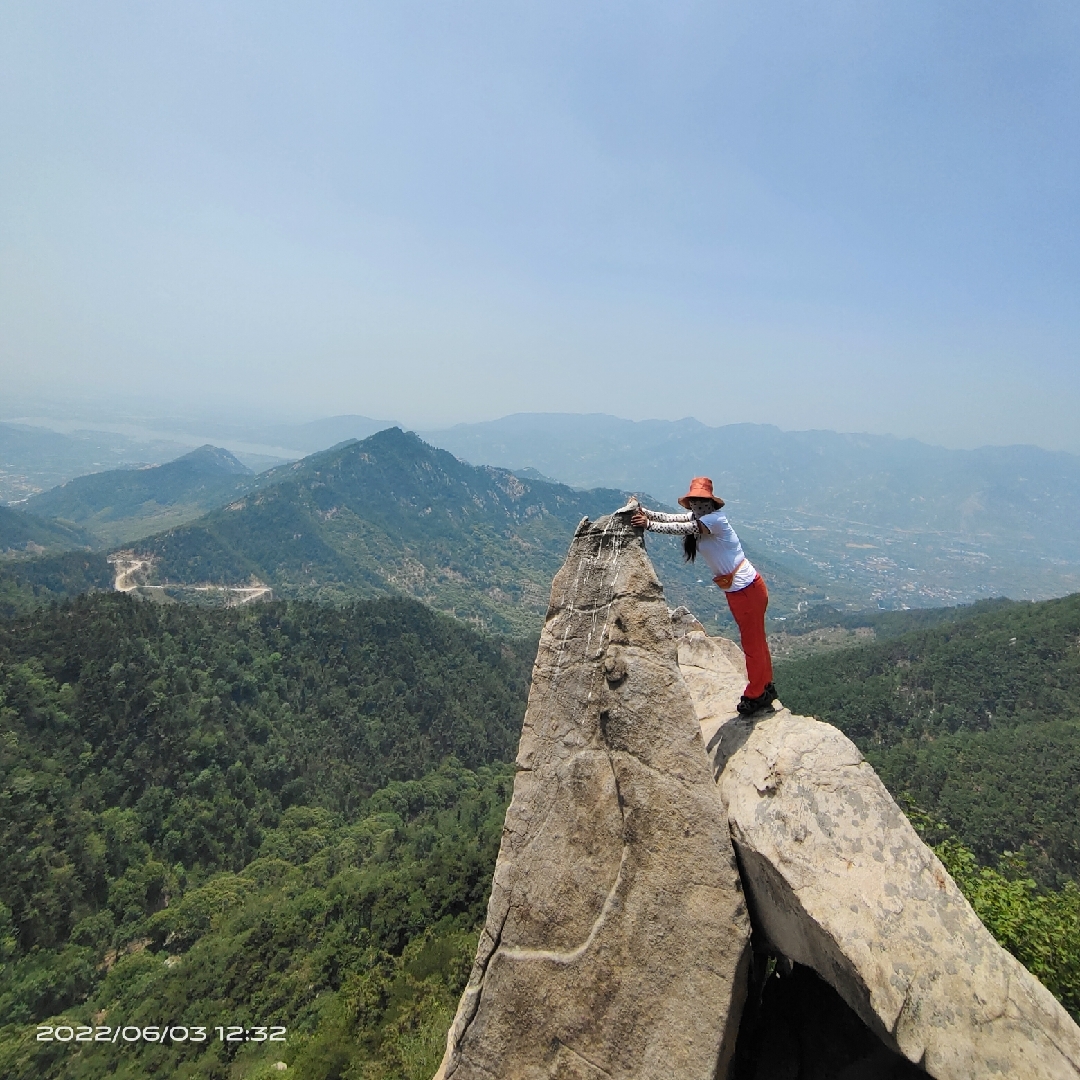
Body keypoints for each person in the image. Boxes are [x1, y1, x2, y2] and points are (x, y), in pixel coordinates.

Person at [630, 477, 777, 716]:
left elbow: (681, 528)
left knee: (753, 644)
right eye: (694, 500)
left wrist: (648, 524)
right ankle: (765, 686)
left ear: (711, 503)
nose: (697, 504)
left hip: (746, 591)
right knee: (756, 641)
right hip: (741, 590)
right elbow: (673, 519)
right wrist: (645, 512)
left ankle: (756, 693)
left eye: (701, 500)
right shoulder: (700, 517)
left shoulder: (715, 520)